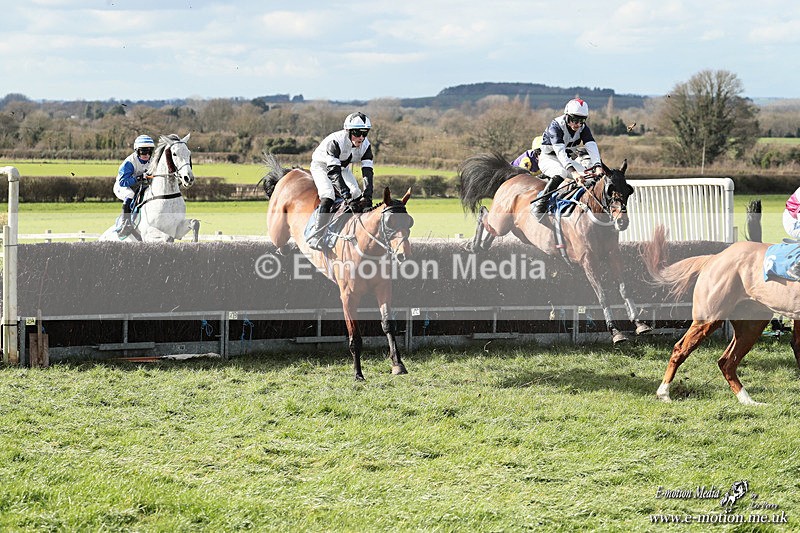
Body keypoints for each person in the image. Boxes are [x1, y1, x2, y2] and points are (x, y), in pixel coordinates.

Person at [306, 111, 375, 250]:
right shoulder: (335, 142)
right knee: (328, 195)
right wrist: (346, 197)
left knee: (357, 193)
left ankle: (348, 231)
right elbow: (333, 173)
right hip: (322, 166)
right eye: (357, 133)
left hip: (342, 167)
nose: (361, 137)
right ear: (348, 131)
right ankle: (316, 235)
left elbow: (367, 172)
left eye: (365, 133)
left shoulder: (366, 145)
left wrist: (368, 195)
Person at [532, 98, 603, 219]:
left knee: (590, 178)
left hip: (567, 160)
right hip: (549, 158)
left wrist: (597, 166)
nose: (578, 124)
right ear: (566, 116)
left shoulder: (583, 128)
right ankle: (540, 205)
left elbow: (591, 146)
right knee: (561, 173)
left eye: (581, 120)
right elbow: (560, 152)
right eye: (574, 119)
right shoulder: (556, 126)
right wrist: (574, 173)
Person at [114, 134, 155, 236]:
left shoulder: (153, 160)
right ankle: (125, 223)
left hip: (140, 186)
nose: (146, 155)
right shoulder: (129, 162)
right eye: (143, 151)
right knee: (130, 194)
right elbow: (123, 182)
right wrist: (138, 178)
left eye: (149, 151)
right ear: (137, 151)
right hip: (123, 186)